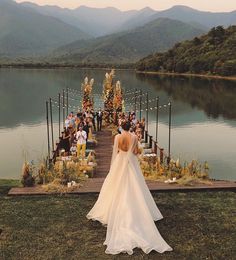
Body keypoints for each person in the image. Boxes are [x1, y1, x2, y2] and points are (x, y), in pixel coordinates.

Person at [87, 121, 172, 255]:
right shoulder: (134, 137)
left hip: (120, 161)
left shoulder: (117, 137)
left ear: (121, 127)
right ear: (130, 127)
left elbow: (115, 152)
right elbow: (136, 151)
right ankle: (138, 206)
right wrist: (134, 152)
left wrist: (116, 163)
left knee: (114, 184)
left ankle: (110, 209)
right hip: (131, 162)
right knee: (135, 184)